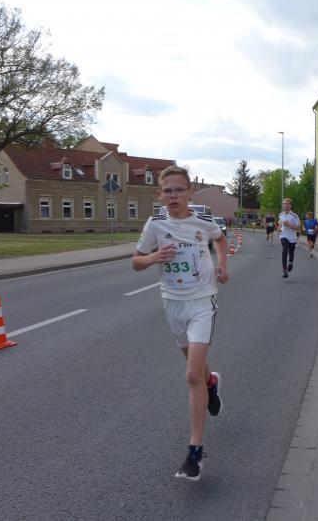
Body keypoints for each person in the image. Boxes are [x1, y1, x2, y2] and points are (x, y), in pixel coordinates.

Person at [132, 165, 229, 481]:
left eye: (179, 190)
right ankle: (210, 383)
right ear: (159, 195)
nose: (173, 196)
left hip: (202, 302)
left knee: (190, 375)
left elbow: (221, 239)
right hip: (172, 303)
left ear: (190, 192)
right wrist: (154, 258)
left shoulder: (203, 221)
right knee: (196, 370)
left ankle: (195, 453)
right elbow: (136, 261)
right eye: (167, 191)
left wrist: (222, 265)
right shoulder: (155, 225)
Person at [278, 198, 300, 279]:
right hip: (283, 235)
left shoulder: (294, 216)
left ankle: (290, 263)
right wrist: (279, 228)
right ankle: (285, 271)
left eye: (287, 204)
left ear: (290, 205)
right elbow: (281, 222)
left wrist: (289, 225)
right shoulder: (281, 214)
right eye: (284, 204)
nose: (285, 205)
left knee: (291, 252)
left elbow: (297, 227)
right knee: (284, 251)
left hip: (292, 237)